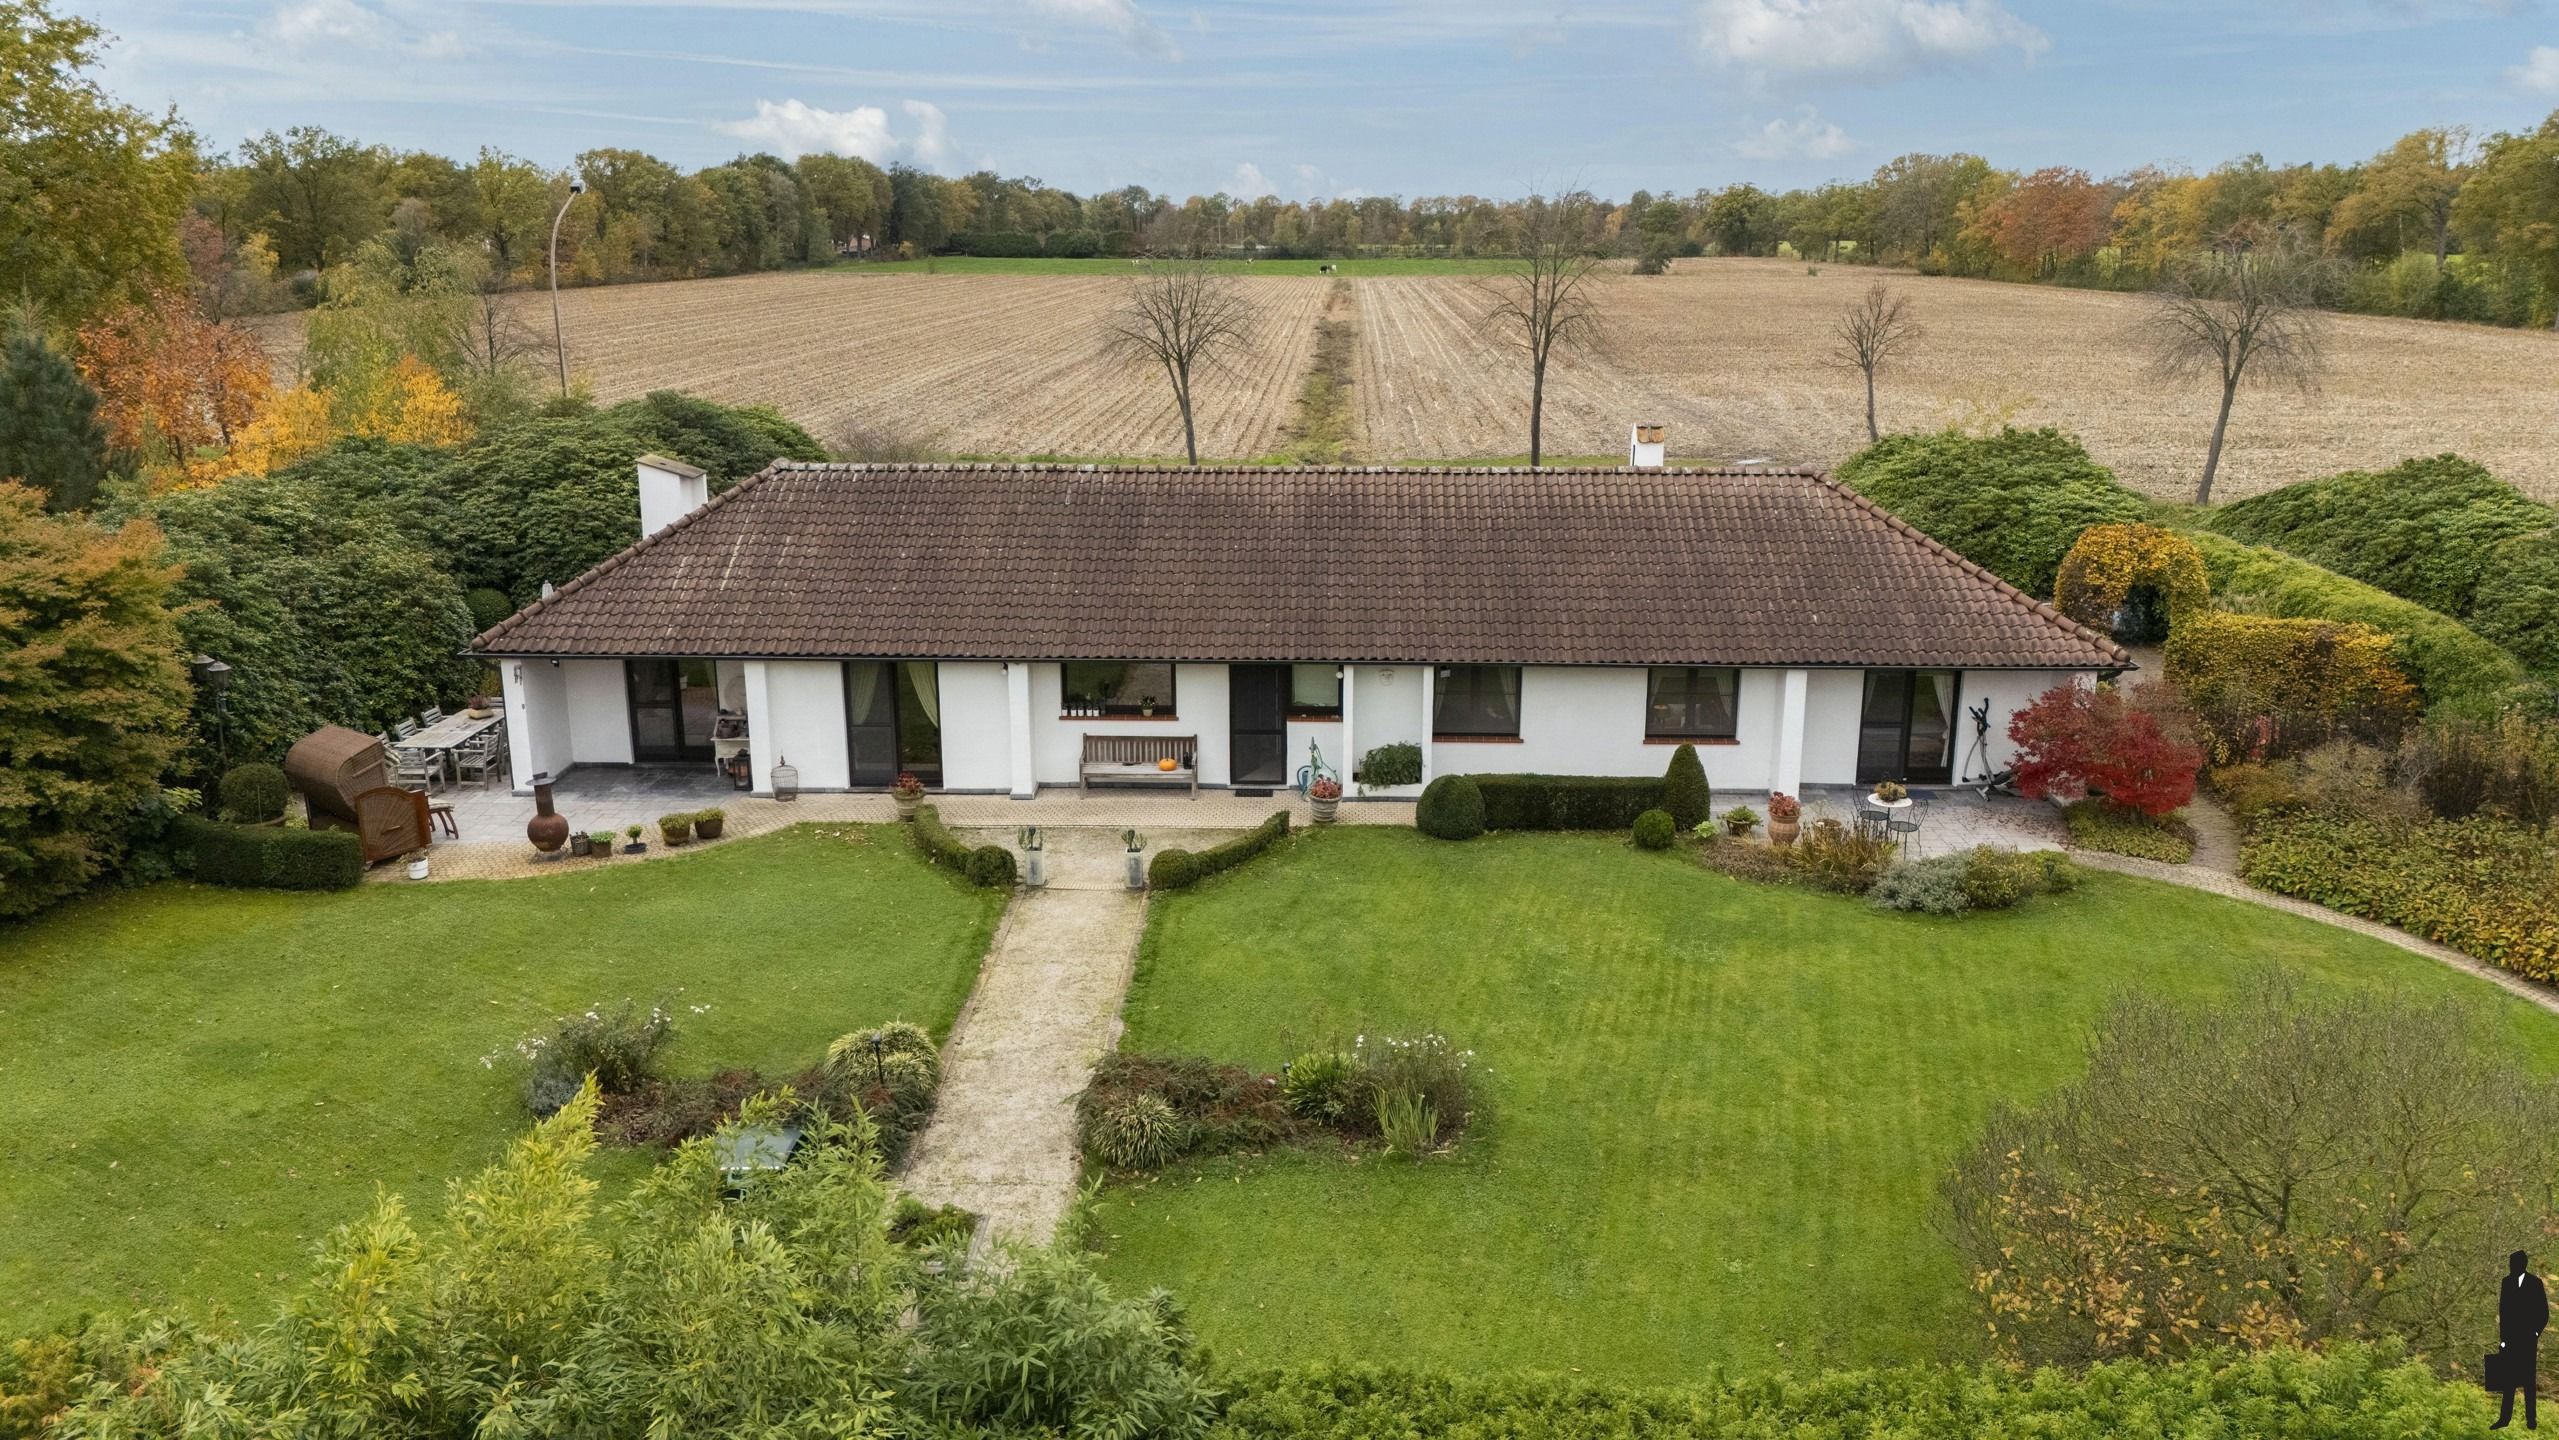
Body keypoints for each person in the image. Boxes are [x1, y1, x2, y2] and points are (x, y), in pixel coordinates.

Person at [2499, 1250, 2549, 1430]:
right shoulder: (2506, 1283)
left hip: (2528, 1340)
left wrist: (2535, 1332)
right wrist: (2503, 1339)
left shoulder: (2535, 1283)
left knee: (2528, 1380)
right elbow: (2503, 1313)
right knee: (2508, 1380)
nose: (2511, 1266)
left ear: (2522, 1264)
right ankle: (2504, 1418)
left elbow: (2544, 1313)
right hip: (2510, 1340)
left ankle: (2531, 1420)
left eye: (2513, 1263)